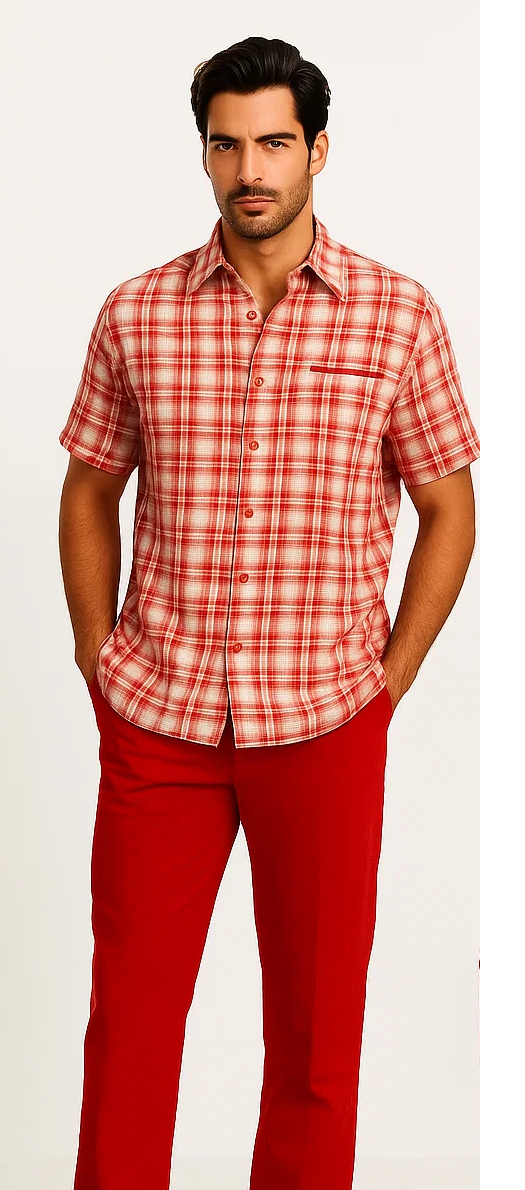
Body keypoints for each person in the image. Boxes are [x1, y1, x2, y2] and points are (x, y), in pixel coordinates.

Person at [58, 35, 480, 1190]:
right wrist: (98, 654)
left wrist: (389, 678)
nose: (251, 169)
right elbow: (90, 486)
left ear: (318, 151)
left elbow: (449, 506)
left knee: (314, 1035)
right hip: (160, 719)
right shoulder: (137, 312)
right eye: (228, 144)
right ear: (204, 152)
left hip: (329, 716)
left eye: (275, 143)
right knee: (130, 1024)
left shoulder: (398, 315)